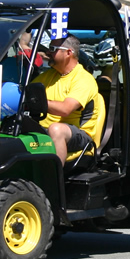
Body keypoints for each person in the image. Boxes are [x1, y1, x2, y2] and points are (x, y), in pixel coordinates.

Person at [32, 34, 103, 165]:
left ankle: (53, 178)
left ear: (68, 52)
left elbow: (65, 109)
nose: (48, 52)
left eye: (53, 49)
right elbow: (26, 93)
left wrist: (36, 103)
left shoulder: (83, 79)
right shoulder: (47, 76)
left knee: (56, 130)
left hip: (78, 135)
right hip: (43, 129)